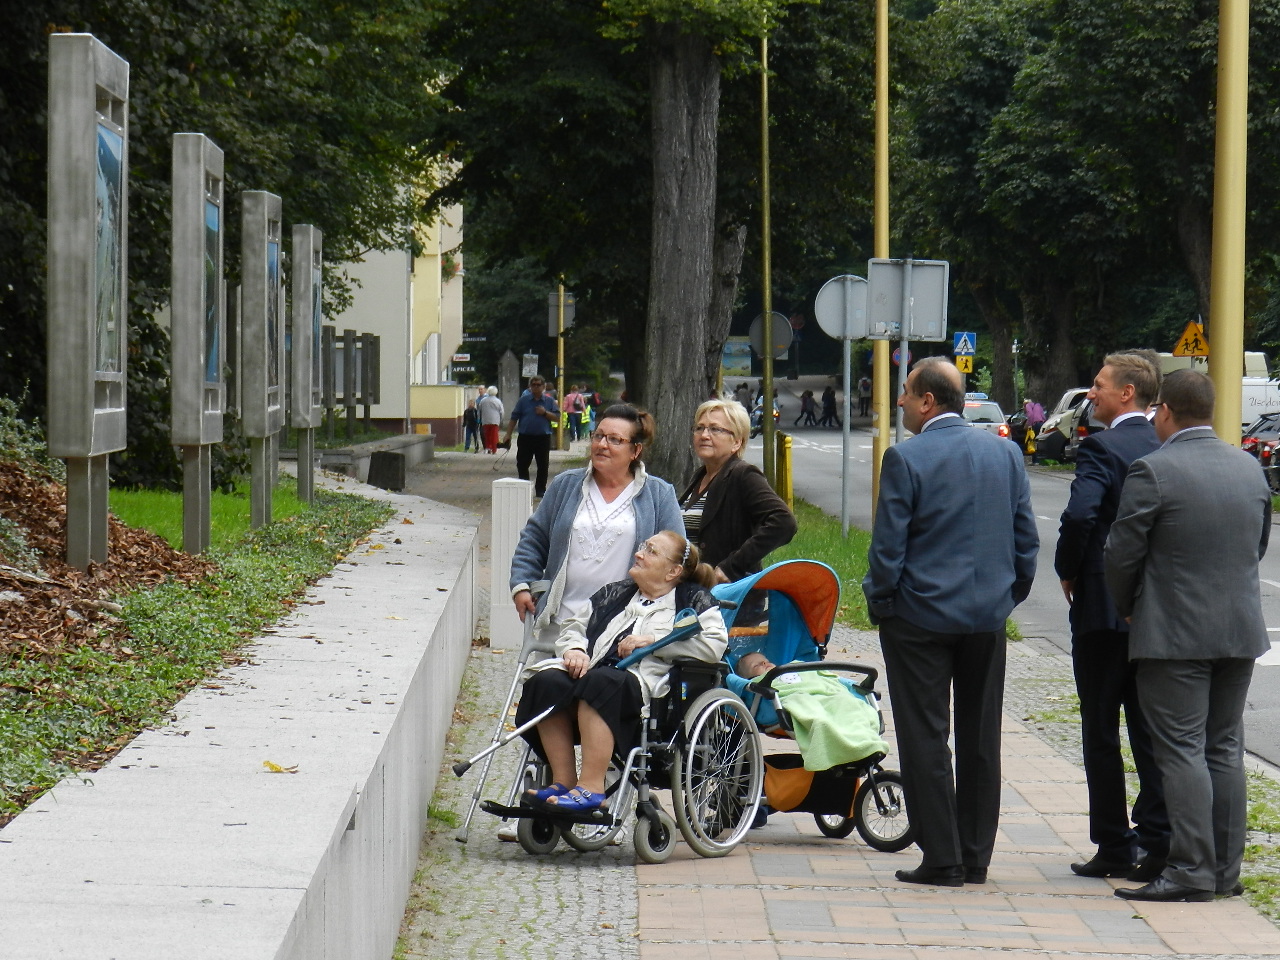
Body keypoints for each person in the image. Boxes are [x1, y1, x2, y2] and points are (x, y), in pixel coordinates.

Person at [862, 357, 1038, 887]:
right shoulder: (1006, 453)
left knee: (924, 735)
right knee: (981, 736)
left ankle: (942, 856)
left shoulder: (906, 458)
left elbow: (888, 548)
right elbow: (1025, 540)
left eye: (905, 394)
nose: (899, 402)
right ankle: (976, 853)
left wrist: (882, 604)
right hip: (986, 616)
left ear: (927, 402)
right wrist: (1005, 598)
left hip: (919, 617)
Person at [1105, 370, 1270, 903]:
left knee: (1179, 750)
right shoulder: (1248, 468)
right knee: (1223, 747)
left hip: (1173, 634)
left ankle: (1190, 870)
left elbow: (1121, 556)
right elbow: (1258, 544)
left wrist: (1131, 608)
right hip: (1239, 630)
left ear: (1165, 411)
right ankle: (1224, 871)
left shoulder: (1153, 471)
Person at [1055, 352, 1170, 883]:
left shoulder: (1102, 446)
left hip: (1102, 609)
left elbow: (1081, 515)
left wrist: (1068, 570)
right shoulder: (1166, 443)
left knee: (1101, 729)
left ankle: (1113, 844)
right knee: (1150, 730)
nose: (1090, 394)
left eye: (1099, 385)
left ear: (1127, 393)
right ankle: (1159, 840)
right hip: (1155, 612)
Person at [516, 531, 725, 812]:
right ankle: (563, 781)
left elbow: (713, 646)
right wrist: (574, 650)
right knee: (547, 681)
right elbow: (573, 628)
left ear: (673, 571)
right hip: (597, 673)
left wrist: (654, 641)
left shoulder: (693, 600)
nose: (639, 554)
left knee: (602, 683)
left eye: (651, 551)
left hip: (648, 686)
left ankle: (591, 788)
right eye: (643, 547)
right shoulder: (615, 593)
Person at [679, 399, 796, 585]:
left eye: (715, 429)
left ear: (736, 442)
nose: (704, 435)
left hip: (731, 600)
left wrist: (732, 566)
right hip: (696, 593)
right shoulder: (700, 477)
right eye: (699, 428)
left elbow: (783, 522)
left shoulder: (743, 475)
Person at [503, 376, 561, 497]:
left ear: (543, 387)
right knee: (522, 463)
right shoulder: (523, 400)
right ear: (530, 386)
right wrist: (508, 434)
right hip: (525, 437)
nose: (535, 387)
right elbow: (514, 418)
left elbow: (557, 417)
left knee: (543, 464)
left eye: (538, 385)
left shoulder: (549, 401)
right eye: (533, 385)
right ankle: (524, 486)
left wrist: (545, 413)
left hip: (542, 437)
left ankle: (540, 489)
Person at [477, 386, 504, 454]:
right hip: (495, 421)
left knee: (487, 435)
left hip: (485, 420)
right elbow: (502, 412)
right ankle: (494, 449)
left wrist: (479, 419)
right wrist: (501, 419)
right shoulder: (498, 401)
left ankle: (488, 448)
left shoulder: (483, 400)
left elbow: (479, 411)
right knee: (494, 435)